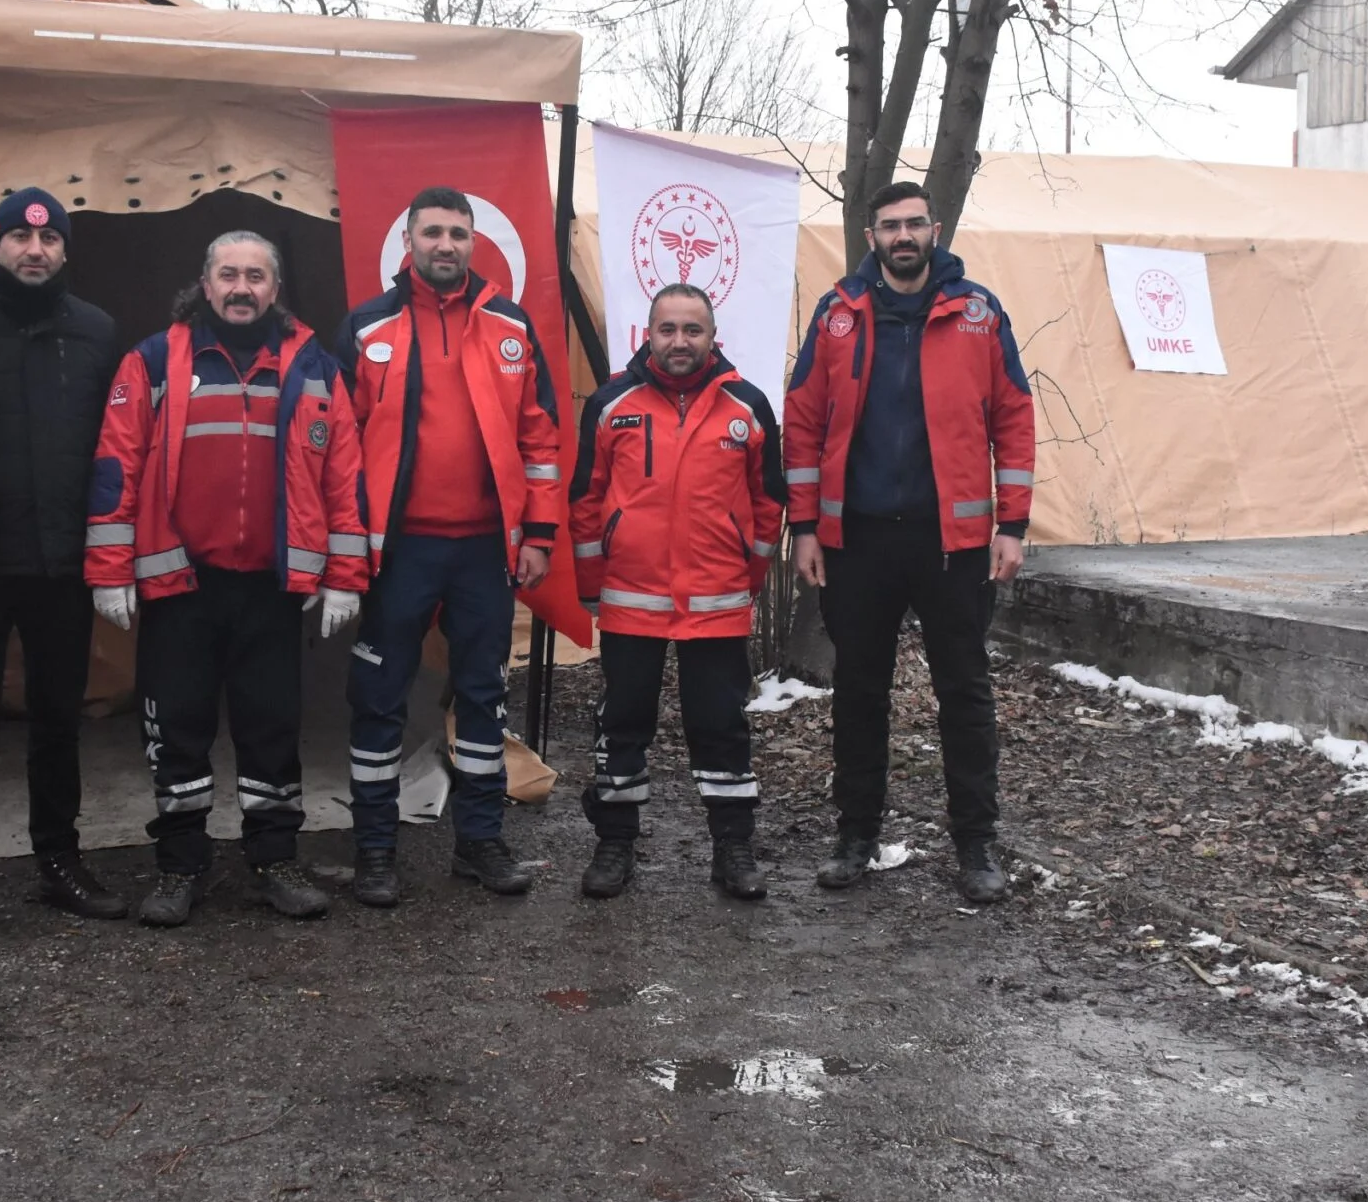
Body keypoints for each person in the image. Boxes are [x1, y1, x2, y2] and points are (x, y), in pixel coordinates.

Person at [86, 231, 370, 927]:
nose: (242, 288)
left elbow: (346, 479)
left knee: (271, 730)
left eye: (256, 276)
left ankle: (274, 859)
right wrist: (108, 567)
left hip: (271, 591)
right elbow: (113, 467)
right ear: (205, 284)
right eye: (228, 275)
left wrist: (346, 575)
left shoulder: (313, 368)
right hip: (181, 586)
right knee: (177, 731)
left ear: (275, 288)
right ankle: (181, 865)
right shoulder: (155, 361)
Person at [783, 180, 1036, 904]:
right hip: (856, 539)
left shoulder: (979, 316)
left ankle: (976, 844)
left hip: (950, 544)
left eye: (914, 223)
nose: (902, 236)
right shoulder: (838, 315)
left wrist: (1011, 523)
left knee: (964, 691)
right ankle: (856, 834)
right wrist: (805, 526)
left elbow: (1013, 421)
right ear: (870, 236)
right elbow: (802, 423)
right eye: (889, 225)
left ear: (937, 229)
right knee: (859, 691)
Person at [331, 186, 564, 906]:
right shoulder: (367, 326)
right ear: (408, 240)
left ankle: (480, 843)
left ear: (473, 241)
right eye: (432, 231)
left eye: (457, 233)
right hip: (397, 551)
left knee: (483, 699)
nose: (445, 244)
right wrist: (344, 548)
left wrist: (542, 533)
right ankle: (374, 848)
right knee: (378, 697)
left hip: (483, 552)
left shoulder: (510, 324)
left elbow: (541, 438)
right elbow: (336, 446)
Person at [0, 188, 124, 934]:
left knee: (56, 721)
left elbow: (116, 449)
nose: (34, 251)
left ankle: (58, 860)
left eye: (48, 241)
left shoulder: (99, 332)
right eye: (19, 238)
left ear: (66, 251)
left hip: (64, 564)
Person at [568, 286, 784, 900]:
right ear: (648, 333)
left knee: (720, 725)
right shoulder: (613, 402)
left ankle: (733, 847)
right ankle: (614, 843)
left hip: (716, 603)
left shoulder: (747, 405)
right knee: (623, 721)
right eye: (668, 329)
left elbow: (769, 504)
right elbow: (586, 502)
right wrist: (592, 589)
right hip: (630, 600)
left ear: (713, 336)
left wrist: (750, 578)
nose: (680, 341)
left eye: (693, 329)